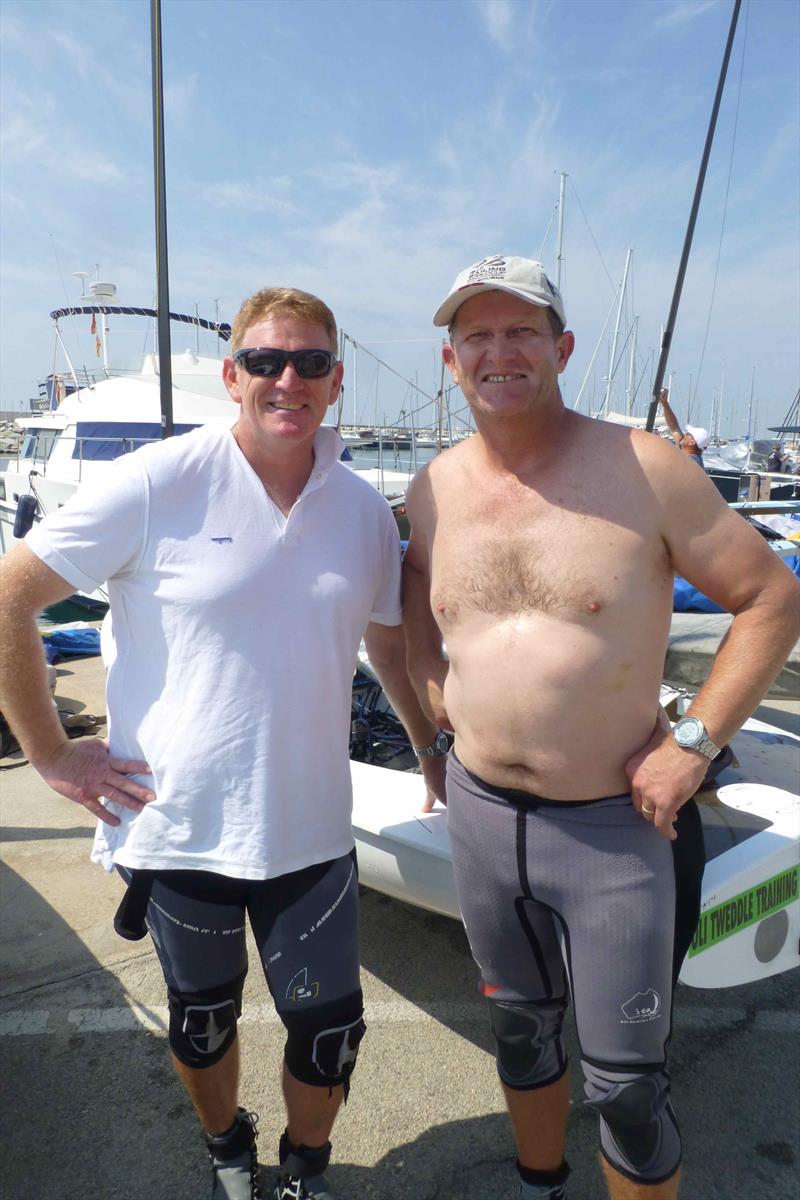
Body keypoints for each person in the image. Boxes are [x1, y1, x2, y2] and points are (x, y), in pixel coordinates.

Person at [0, 286, 447, 1200]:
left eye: (311, 363)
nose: (289, 379)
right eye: (267, 361)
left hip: (313, 827)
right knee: (201, 1025)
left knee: (331, 1033)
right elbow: (11, 595)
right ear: (233, 373)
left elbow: (389, 641)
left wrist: (429, 743)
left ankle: (304, 1169)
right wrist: (50, 751)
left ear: (335, 381)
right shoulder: (160, 480)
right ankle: (228, 1150)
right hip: (179, 827)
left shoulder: (362, 509)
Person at [402, 254, 800, 1200]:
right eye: (478, 338)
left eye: (522, 333)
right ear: (452, 362)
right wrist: (429, 721)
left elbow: (772, 598)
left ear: (562, 347)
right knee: (519, 1030)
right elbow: (416, 615)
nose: (499, 353)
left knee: (627, 1087)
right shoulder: (432, 487)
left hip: (614, 826)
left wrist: (693, 746)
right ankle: (540, 1185)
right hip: (481, 811)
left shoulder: (644, 468)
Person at [657, 388, 709, 466]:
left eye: (688, 434)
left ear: (692, 442)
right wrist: (665, 404)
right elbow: (674, 428)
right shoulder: (688, 455)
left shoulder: (693, 462)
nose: (684, 435)